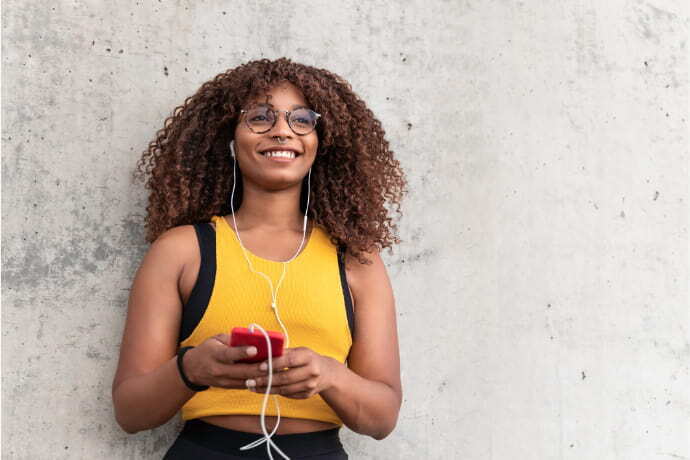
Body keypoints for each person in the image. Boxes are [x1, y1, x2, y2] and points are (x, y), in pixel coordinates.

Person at [112, 57, 408, 459]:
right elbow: (130, 411)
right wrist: (192, 369)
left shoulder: (356, 259)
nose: (283, 131)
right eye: (260, 117)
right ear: (230, 139)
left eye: (301, 120)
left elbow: (382, 418)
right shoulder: (182, 251)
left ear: (320, 142)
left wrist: (329, 375)